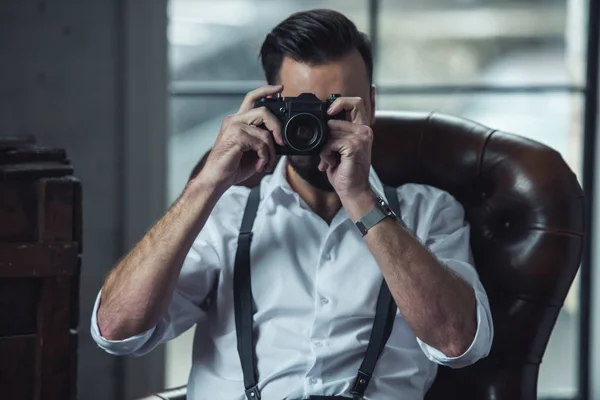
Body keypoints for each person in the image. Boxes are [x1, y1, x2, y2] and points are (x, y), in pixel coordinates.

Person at [92, 9, 493, 400]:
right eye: (300, 109)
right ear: (267, 108)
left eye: (335, 107)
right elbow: (117, 330)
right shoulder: (225, 216)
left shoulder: (429, 213)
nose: (315, 125)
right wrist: (207, 184)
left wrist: (360, 199)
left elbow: (458, 343)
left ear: (369, 105)